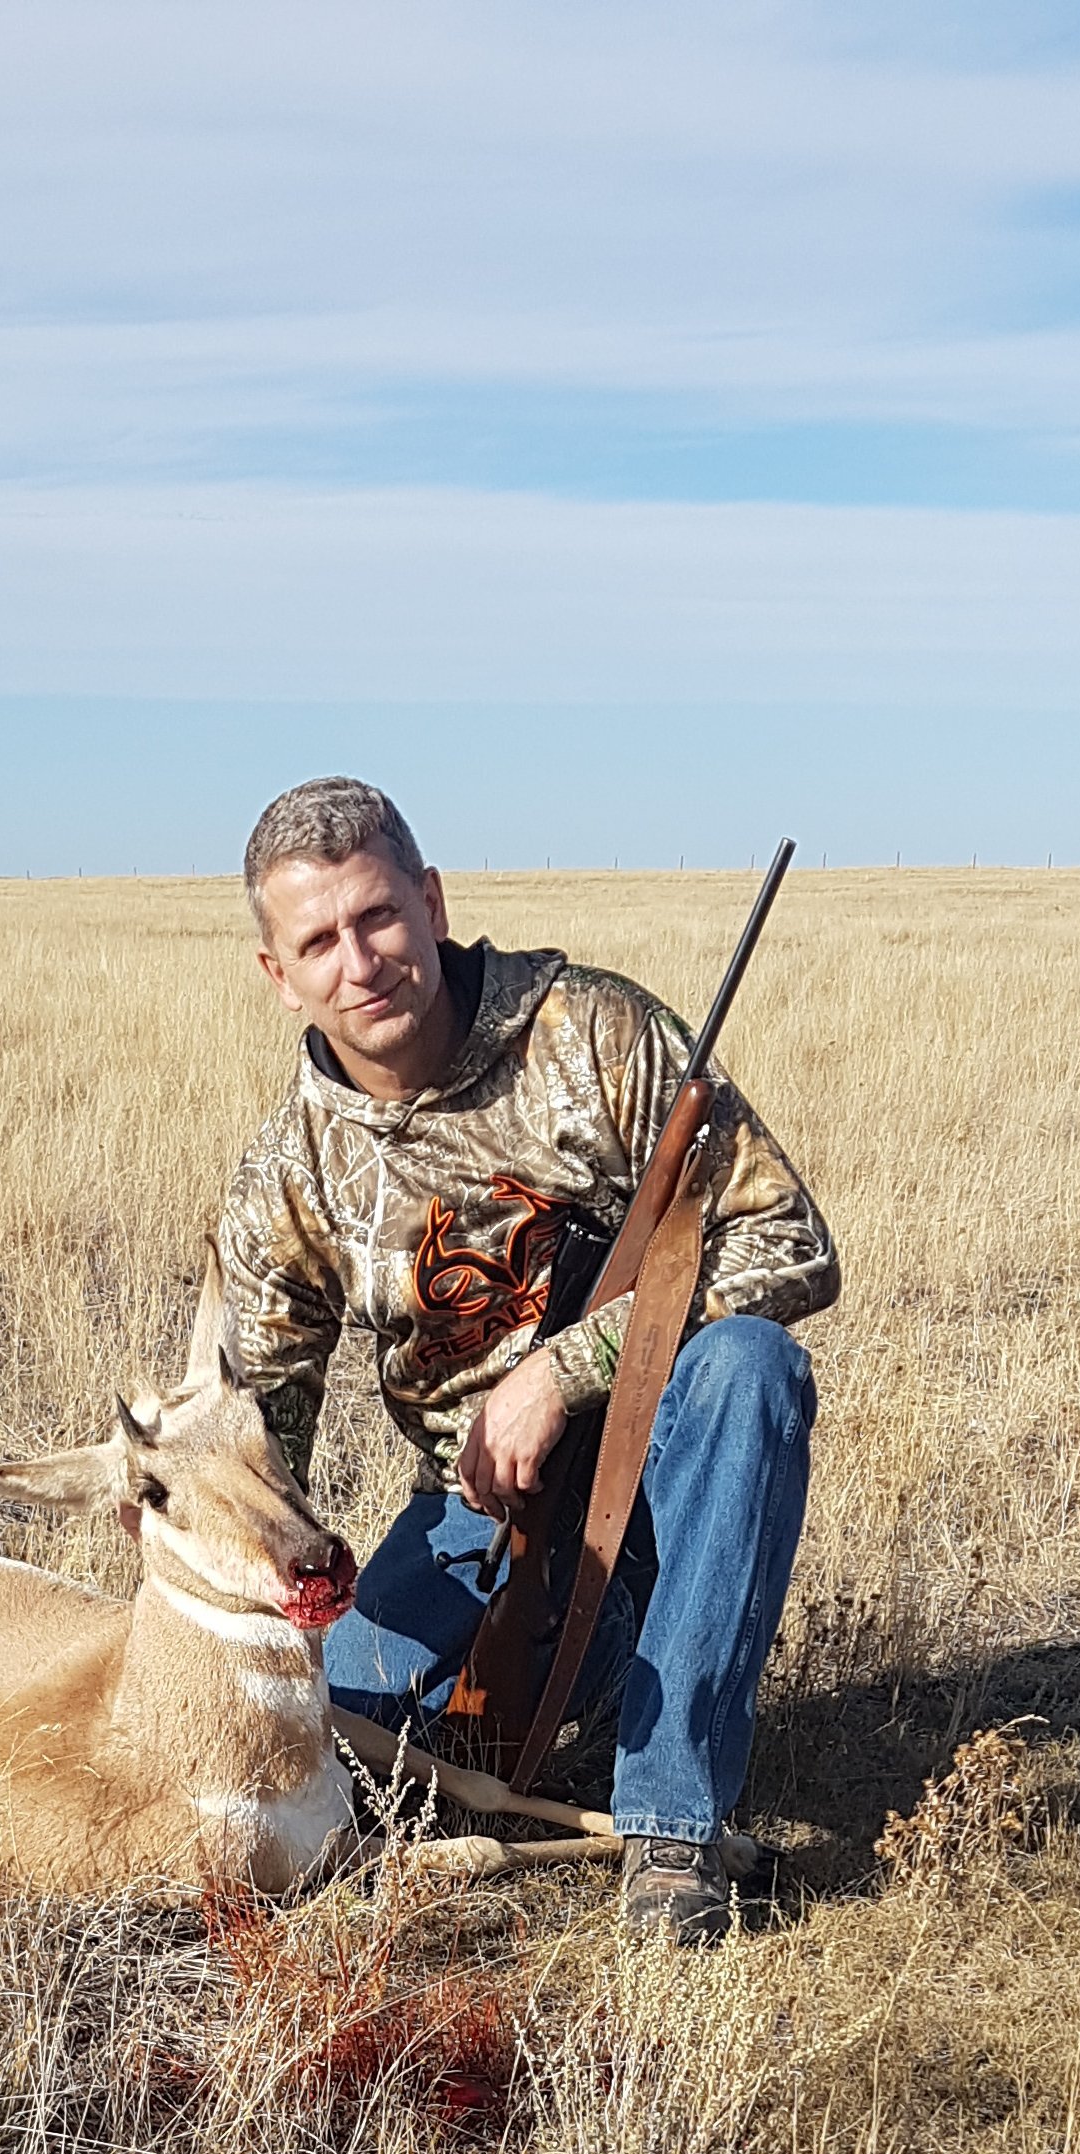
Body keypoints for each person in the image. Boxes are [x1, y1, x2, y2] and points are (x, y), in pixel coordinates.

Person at [216, 776, 838, 1940]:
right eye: (319, 941)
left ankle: (671, 1831)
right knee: (335, 1743)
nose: (362, 961)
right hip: (477, 1525)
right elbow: (255, 1442)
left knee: (752, 1368)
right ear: (278, 973)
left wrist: (567, 1371)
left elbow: (791, 1244)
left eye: (379, 917)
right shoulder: (286, 1175)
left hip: (671, 1475)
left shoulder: (593, 1036)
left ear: (432, 902)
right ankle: (596, 1681)